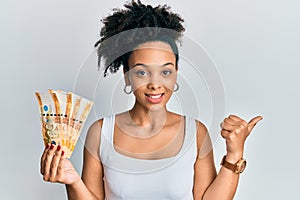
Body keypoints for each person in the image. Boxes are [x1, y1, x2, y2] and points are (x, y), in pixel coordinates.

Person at [40, 1, 263, 199]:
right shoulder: (101, 133)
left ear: (176, 72)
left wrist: (235, 154)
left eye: (165, 72)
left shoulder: (195, 133)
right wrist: (73, 181)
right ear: (126, 76)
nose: (155, 84)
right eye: (142, 72)